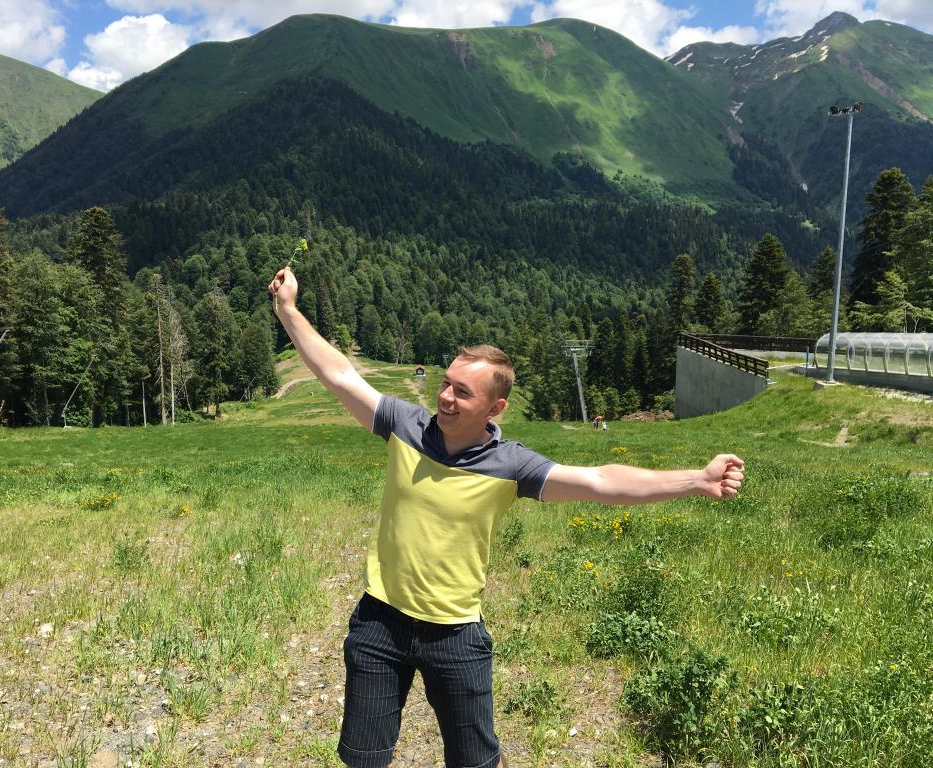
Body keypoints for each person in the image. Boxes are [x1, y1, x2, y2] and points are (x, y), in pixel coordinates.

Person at [268, 267, 745, 768]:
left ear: (495, 408)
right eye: (446, 383)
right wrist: (288, 310)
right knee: (363, 760)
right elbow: (339, 373)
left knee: (476, 762)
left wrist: (696, 480)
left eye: (462, 392)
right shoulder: (403, 425)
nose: (445, 397)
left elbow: (601, 481)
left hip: (454, 633)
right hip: (379, 621)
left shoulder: (512, 465)